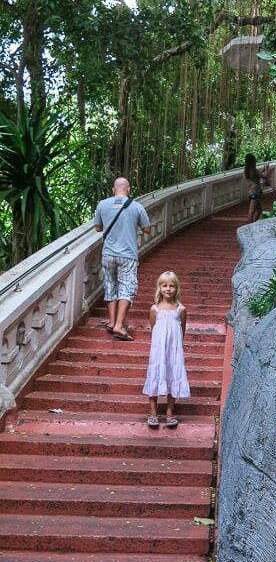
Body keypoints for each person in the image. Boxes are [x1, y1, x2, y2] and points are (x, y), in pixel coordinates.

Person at [94, 177, 151, 341]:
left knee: (110, 285)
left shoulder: (102, 205)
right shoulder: (136, 206)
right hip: (127, 255)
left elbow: (98, 228)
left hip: (108, 254)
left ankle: (112, 322)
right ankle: (119, 325)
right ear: (129, 189)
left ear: (113, 190)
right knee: (127, 287)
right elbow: (147, 229)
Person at [143, 270, 190, 428]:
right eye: (164, 286)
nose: (168, 289)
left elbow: (182, 328)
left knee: (173, 375)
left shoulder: (180, 309)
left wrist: (177, 346)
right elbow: (153, 328)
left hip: (174, 350)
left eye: (171, 286)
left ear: (177, 288)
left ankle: (170, 412)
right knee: (155, 374)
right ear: (159, 288)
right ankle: (153, 413)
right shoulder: (154, 309)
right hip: (159, 351)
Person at [245, 153, 269, 223]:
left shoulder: (246, 170)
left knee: (259, 210)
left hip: (251, 192)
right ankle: (249, 227)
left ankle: (253, 224)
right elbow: (265, 176)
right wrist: (267, 169)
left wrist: (263, 170)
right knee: (251, 212)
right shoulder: (254, 170)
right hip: (255, 192)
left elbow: (257, 176)